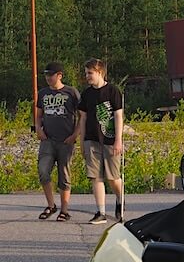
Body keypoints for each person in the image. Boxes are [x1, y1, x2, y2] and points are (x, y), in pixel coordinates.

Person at [78, 58, 125, 225]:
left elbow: (119, 115)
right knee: (95, 176)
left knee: (113, 177)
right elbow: (82, 118)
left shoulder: (113, 91)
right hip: (91, 138)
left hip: (110, 139)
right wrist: (82, 141)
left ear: (99, 72)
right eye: (86, 73)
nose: (87, 76)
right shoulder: (86, 94)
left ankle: (120, 199)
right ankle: (101, 212)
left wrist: (118, 140)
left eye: (90, 73)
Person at [35, 61, 81, 222]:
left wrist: (75, 134)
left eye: (51, 74)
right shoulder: (43, 93)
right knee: (43, 170)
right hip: (47, 140)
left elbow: (82, 115)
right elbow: (38, 114)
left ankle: (65, 210)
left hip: (66, 140)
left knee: (64, 174)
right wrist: (38, 128)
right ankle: (51, 205)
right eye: (46, 74)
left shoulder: (71, 92)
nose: (48, 77)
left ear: (59, 75)